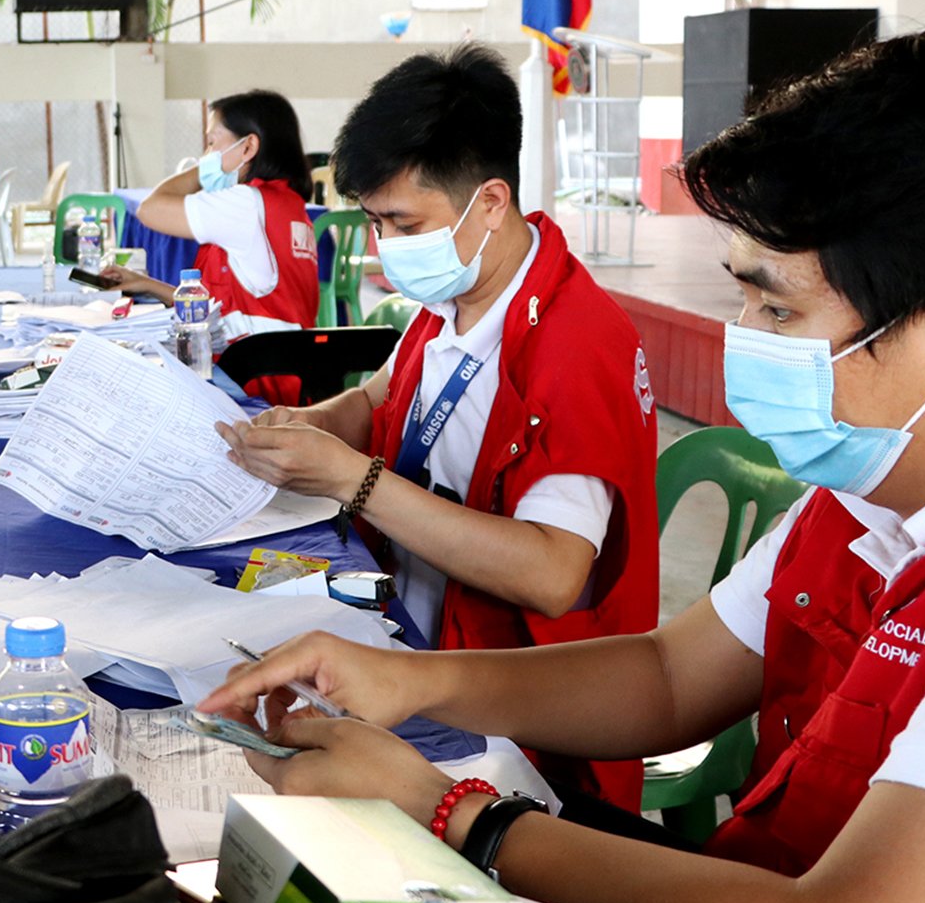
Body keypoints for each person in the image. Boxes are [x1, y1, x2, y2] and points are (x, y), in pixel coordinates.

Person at [201, 31, 925, 903]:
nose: (745, 349)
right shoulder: (856, 505)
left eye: (778, 313)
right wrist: (409, 678)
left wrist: (447, 809)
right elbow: (672, 673)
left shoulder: (572, 337)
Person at [215, 45, 659, 811]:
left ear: (490, 202)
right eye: (374, 221)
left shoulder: (576, 343)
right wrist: (299, 427)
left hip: (515, 724)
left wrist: (354, 481)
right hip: (407, 640)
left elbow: (553, 576)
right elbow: (380, 400)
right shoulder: (457, 290)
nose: (387, 246)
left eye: (401, 222)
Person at [98, 89, 320, 334]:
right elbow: (220, 310)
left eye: (212, 143)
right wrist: (145, 284)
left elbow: (149, 209)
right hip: (276, 361)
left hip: (251, 367)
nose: (207, 154)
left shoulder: (245, 204)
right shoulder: (287, 204)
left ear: (248, 147)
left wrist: (204, 170)